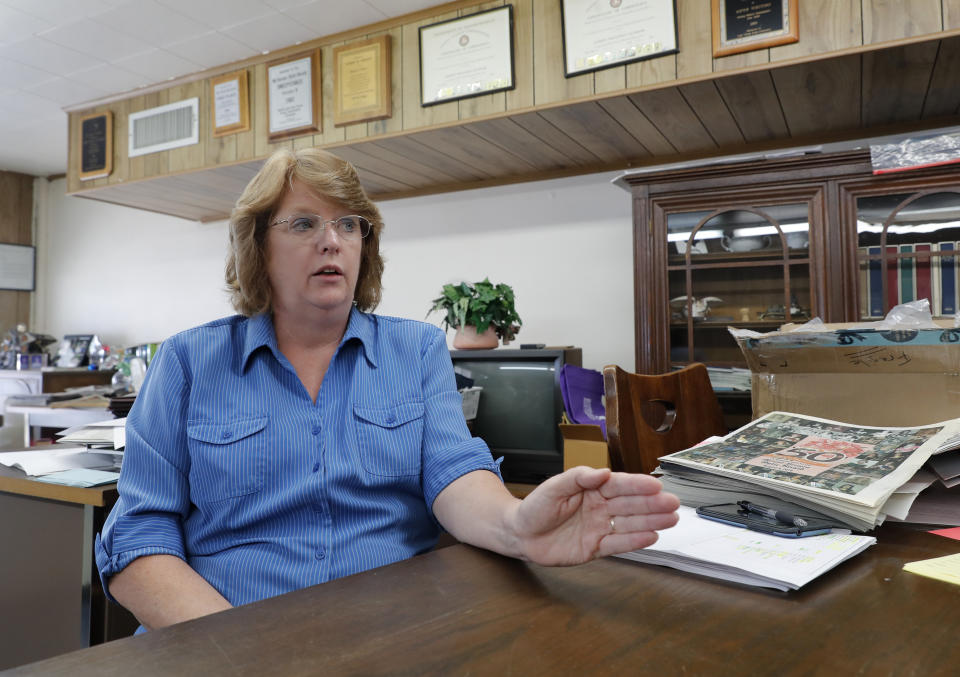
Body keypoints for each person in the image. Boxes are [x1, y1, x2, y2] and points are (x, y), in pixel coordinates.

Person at [95, 147, 680, 631]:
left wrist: (515, 526)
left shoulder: (416, 349)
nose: (332, 241)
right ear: (259, 247)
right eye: (303, 223)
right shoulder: (187, 362)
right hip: (224, 635)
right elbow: (137, 539)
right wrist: (239, 652)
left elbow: (452, 470)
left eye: (348, 224)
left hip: (390, 632)